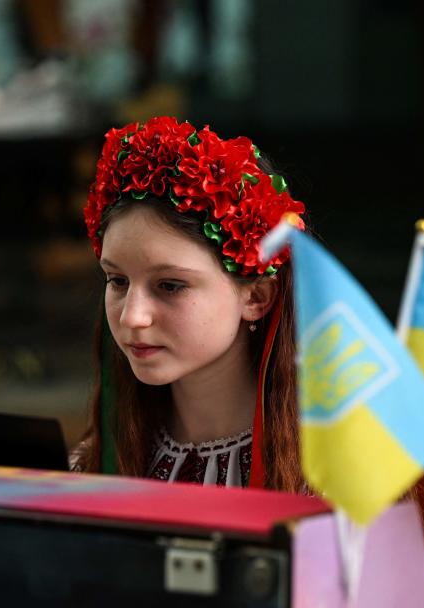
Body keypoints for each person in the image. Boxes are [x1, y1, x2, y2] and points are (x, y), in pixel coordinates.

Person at [72, 116, 307, 492]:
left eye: (170, 285)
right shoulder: (92, 467)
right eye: (117, 280)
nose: (133, 315)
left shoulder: (326, 480)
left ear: (257, 296)